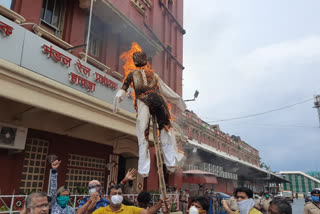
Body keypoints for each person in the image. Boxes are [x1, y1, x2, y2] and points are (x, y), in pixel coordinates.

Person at [113, 51, 186, 177]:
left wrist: (179, 101)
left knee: (165, 130)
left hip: (156, 101)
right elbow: (123, 89)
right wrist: (118, 99)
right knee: (144, 133)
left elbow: (164, 89)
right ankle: (144, 169)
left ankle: (169, 162)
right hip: (146, 101)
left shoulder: (152, 75)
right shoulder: (133, 74)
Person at [92, 184, 170, 214]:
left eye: (119, 193)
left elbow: (148, 212)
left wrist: (161, 202)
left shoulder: (131, 209)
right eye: (114, 194)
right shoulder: (101, 211)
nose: (117, 196)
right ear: (108, 197)